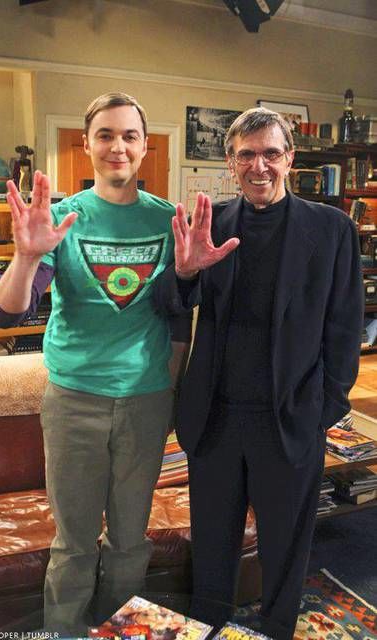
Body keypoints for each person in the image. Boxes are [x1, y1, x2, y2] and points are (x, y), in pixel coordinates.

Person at [154, 107, 363, 640]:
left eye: (271, 153)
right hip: (214, 417)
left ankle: (276, 629)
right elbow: (168, 304)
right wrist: (184, 272)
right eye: (246, 155)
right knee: (212, 543)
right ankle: (208, 625)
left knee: (285, 547)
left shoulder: (332, 229)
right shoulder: (209, 223)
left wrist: (325, 407)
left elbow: (346, 327)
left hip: (290, 417)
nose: (259, 166)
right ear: (230, 162)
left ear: (290, 159)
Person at [0, 92, 191, 635]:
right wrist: (26, 255)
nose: (117, 146)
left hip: (146, 401)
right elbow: (8, 312)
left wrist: (169, 391)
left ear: (144, 147)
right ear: (87, 144)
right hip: (73, 402)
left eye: (129, 135)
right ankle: (65, 631)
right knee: (74, 543)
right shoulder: (60, 218)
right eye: (105, 135)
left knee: (129, 540)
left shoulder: (168, 221)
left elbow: (178, 319)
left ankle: (120, 628)